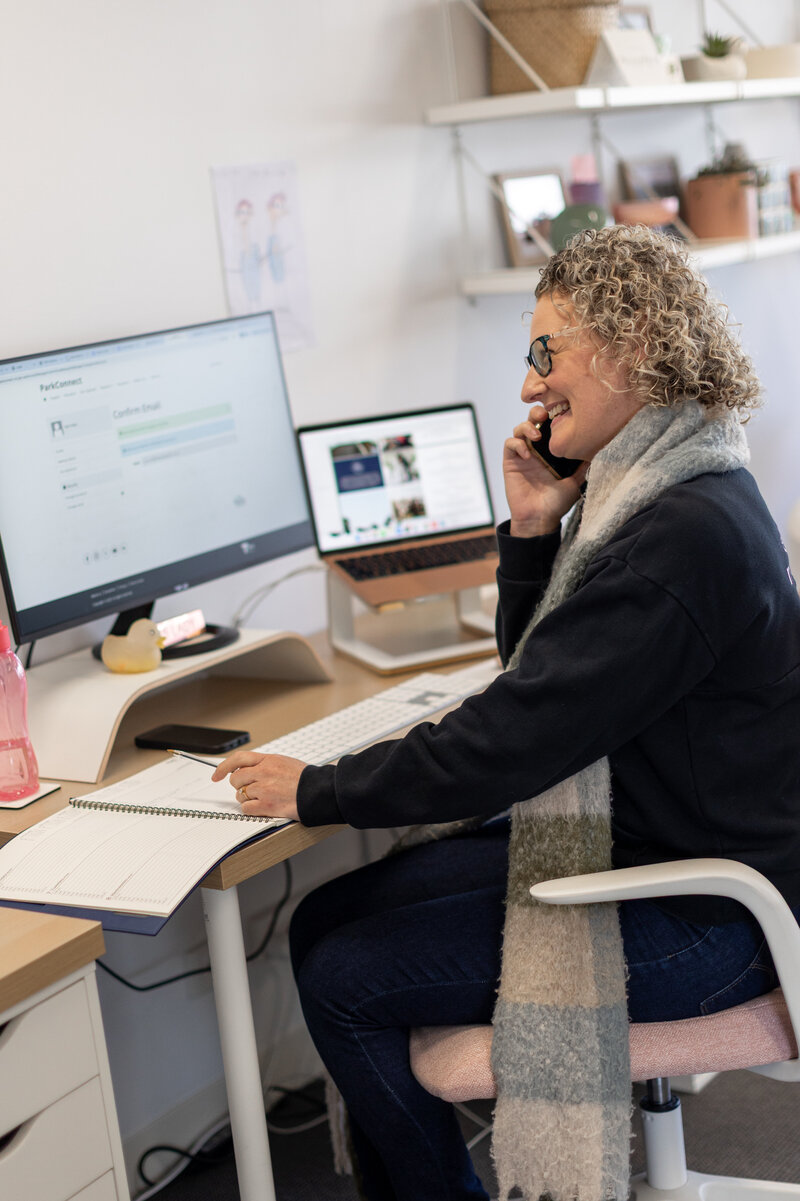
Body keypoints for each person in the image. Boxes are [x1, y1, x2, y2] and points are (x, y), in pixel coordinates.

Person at [213, 225, 800, 1201]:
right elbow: (546, 680)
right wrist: (532, 529)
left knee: (342, 975)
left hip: (715, 911)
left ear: (631, 345)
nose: (527, 386)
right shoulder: (660, 486)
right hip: (651, 848)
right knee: (322, 916)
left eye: (544, 353)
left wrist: (318, 790)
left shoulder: (675, 536)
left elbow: (511, 736)